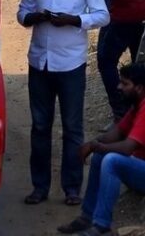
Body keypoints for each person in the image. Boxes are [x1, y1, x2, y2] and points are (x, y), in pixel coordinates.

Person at [17, 0, 109, 207]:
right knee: (40, 126)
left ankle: (71, 188)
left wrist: (73, 20)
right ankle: (39, 187)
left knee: (72, 127)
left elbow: (103, 15)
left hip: (71, 64)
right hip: (40, 63)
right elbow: (22, 13)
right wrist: (37, 17)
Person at [57, 62, 145, 236]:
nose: (119, 87)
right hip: (139, 167)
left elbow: (128, 148)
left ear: (140, 88)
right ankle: (87, 217)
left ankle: (102, 224)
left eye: (125, 84)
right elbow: (118, 132)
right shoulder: (137, 105)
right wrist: (93, 144)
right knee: (100, 155)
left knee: (111, 160)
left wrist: (98, 146)